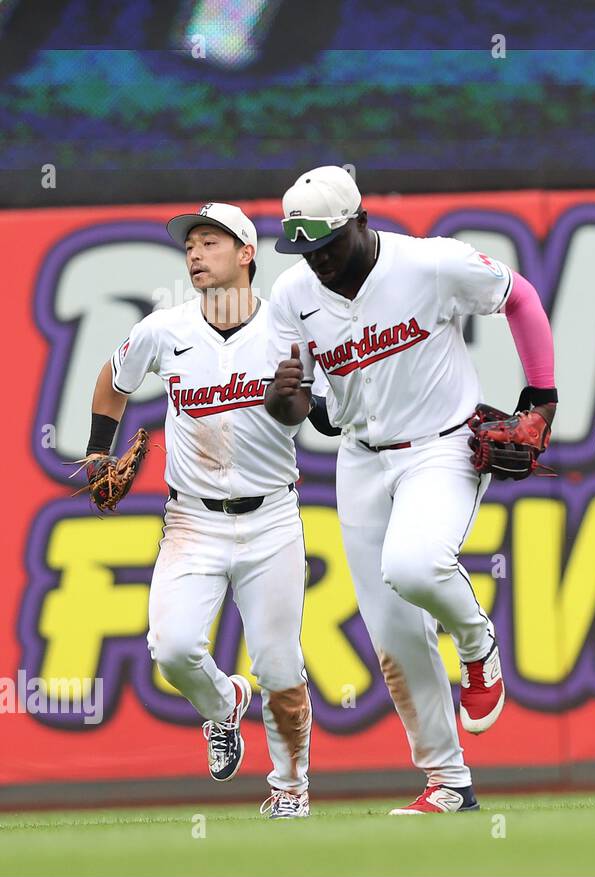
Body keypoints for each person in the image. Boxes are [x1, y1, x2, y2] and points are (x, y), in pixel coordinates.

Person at [264, 166, 557, 814]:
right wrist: (285, 402)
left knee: (415, 565)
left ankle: (477, 645)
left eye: (327, 247)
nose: (318, 264)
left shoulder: (429, 264)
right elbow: (306, 407)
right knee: (394, 635)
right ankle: (447, 782)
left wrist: (542, 399)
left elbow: (520, 297)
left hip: (443, 446)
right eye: (305, 252)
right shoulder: (293, 293)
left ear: (360, 223)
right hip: (361, 459)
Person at [85, 203, 313, 817]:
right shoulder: (166, 329)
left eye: (211, 242)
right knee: (174, 647)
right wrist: (97, 453)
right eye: (189, 245)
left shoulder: (286, 331)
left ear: (246, 254)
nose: (194, 253)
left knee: (280, 666)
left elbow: (319, 417)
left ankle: (290, 791)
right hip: (193, 519)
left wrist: (293, 402)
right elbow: (113, 378)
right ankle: (223, 707)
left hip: (270, 519)